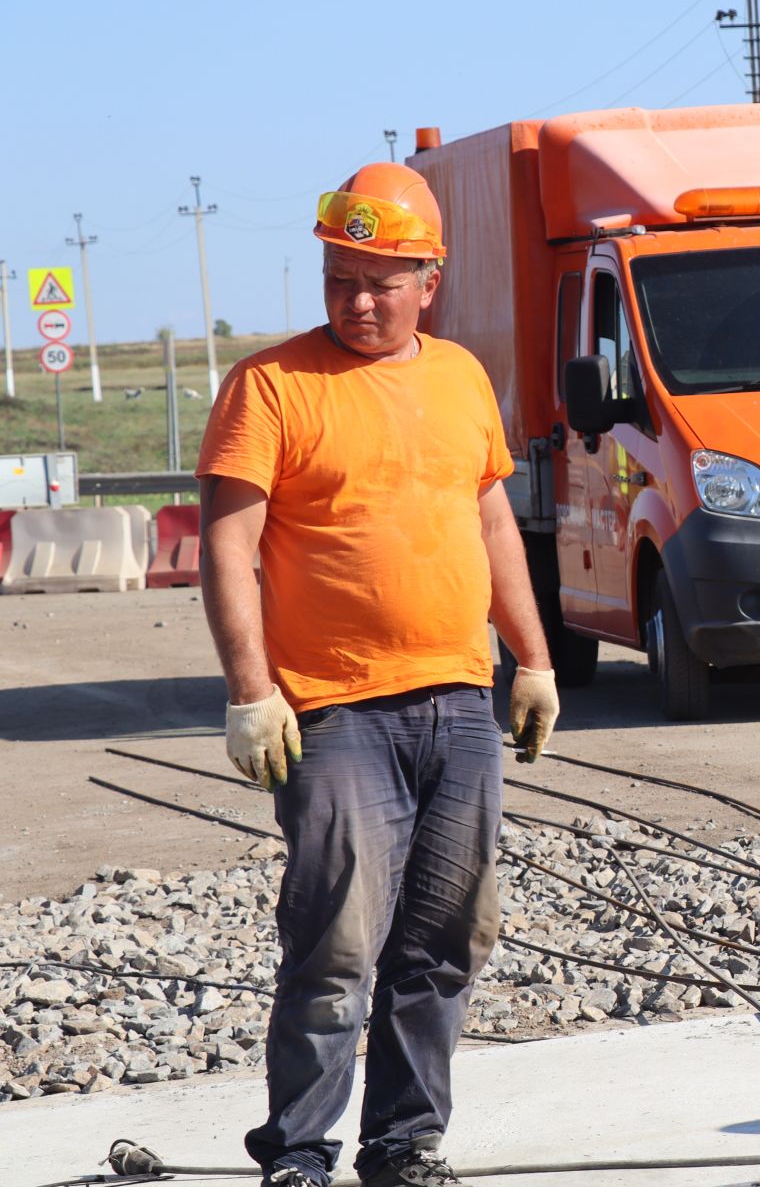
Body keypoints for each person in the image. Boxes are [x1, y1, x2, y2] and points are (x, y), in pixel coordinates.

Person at [197, 162, 562, 1187]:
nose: (358, 299)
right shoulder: (270, 387)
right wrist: (250, 688)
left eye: (381, 280)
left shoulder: (458, 378)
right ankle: (299, 1153)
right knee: (336, 945)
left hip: (458, 697)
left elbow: (491, 522)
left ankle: (404, 1144)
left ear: (428, 279)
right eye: (340, 277)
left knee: (445, 936)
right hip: (335, 709)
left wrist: (530, 658)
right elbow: (229, 547)